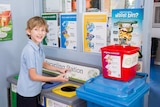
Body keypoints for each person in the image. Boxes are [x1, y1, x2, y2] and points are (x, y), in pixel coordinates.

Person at [16, 16, 69, 107]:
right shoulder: (29, 51)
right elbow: (33, 76)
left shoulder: (39, 47)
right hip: (27, 94)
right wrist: (56, 79)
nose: (40, 33)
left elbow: (43, 64)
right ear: (29, 32)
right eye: (36, 29)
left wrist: (59, 70)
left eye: (43, 30)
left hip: (36, 90)